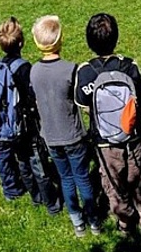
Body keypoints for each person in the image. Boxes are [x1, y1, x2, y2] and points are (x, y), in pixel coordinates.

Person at [75, 13, 141, 235]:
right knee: (140, 177)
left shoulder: (85, 72)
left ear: (89, 42)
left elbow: (84, 105)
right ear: (116, 38)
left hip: (105, 144)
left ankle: (124, 223)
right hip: (133, 136)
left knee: (114, 184)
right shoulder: (129, 66)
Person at [30, 15, 101, 237]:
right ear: (60, 40)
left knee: (66, 178)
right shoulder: (72, 69)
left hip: (50, 136)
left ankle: (77, 222)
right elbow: (81, 100)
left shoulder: (33, 71)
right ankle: (94, 221)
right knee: (82, 176)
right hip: (73, 134)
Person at [0, 17, 60, 212]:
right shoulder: (24, 68)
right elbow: (32, 97)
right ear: (21, 43)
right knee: (38, 165)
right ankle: (51, 204)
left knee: (23, 163)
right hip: (27, 126)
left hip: (9, 125)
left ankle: (35, 197)